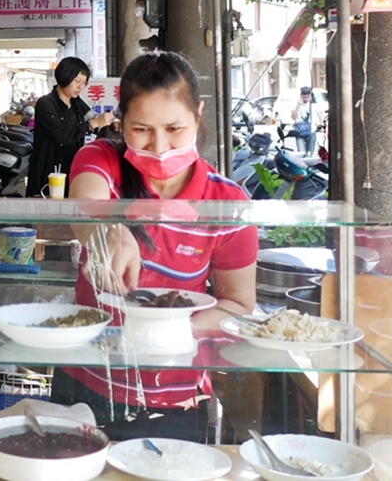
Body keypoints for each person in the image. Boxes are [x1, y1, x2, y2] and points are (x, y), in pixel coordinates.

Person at [51, 50, 257, 441]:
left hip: (176, 400)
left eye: (175, 129)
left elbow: (238, 305)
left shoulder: (226, 204)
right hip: (86, 384)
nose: (159, 146)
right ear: (121, 120)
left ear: (198, 114)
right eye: (141, 129)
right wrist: (109, 229)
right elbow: (86, 202)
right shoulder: (101, 160)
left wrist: (163, 332)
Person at [26, 57, 116, 198]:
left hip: (71, 168)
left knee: (70, 210)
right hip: (49, 170)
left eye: (84, 83)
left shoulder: (77, 104)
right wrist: (94, 124)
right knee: (47, 212)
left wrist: (111, 124)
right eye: (77, 81)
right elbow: (61, 134)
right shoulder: (46, 103)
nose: (81, 87)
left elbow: (94, 121)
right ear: (65, 77)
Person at [292, 86, 316, 157]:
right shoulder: (295, 103)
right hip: (299, 131)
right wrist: (298, 105)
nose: (306, 99)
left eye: (308, 97)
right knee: (301, 153)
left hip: (311, 130)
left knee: (310, 154)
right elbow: (293, 117)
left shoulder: (312, 104)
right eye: (304, 97)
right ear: (301, 96)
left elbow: (319, 114)